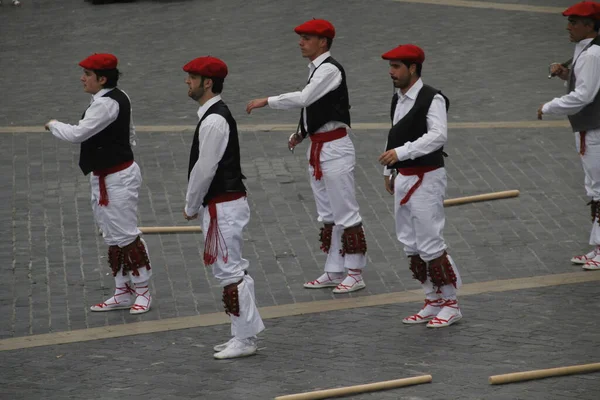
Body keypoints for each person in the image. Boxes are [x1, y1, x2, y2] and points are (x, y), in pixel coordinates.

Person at [246, 19, 367, 294]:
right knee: (328, 214)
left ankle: (356, 272)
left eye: (307, 38)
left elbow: (304, 98)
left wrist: (268, 100)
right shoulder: (317, 69)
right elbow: (313, 108)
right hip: (320, 148)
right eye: (301, 37)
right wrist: (301, 133)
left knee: (345, 212)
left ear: (323, 42)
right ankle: (334, 270)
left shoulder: (329, 70)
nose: (301, 42)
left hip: (335, 150)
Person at [45, 53, 152, 315]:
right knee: (112, 235)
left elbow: (78, 133)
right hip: (105, 176)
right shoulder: (113, 97)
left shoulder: (105, 104)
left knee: (125, 235)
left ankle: (143, 291)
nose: (82, 78)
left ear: (102, 79)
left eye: (87, 74)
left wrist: (54, 124)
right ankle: (122, 291)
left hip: (117, 178)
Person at [183, 56, 265, 359]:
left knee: (231, 271)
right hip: (223, 204)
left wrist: (191, 204)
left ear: (208, 83)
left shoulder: (215, 119)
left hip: (225, 206)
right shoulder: (211, 116)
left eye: (192, 78)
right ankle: (240, 333)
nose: (187, 82)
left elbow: (205, 169)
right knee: (228, 270)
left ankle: (245, 340)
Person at [378, 44, 462, 328]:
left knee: (430, 241)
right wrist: (390, 169)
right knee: (409, 243)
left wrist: (402, 153)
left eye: (396, 67)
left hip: (427, 177)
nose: (391, 72)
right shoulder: (398, 98)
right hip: (404, 177)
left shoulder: (432, 98)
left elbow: (438, 136)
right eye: (390, 67)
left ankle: (450, 302)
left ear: (413, 68)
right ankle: (432, 298)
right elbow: (394, 133)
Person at [539, 1, 600, 271]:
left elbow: (584, 96)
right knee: (594, 188)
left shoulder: (591, 54)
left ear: (590, 26)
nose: (568, 26)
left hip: (594, 129)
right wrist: (567, 74)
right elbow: (586, 85)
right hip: (589, 128)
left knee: (599, 188)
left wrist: (549, 106)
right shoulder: (585, 51)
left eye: (574, 22)